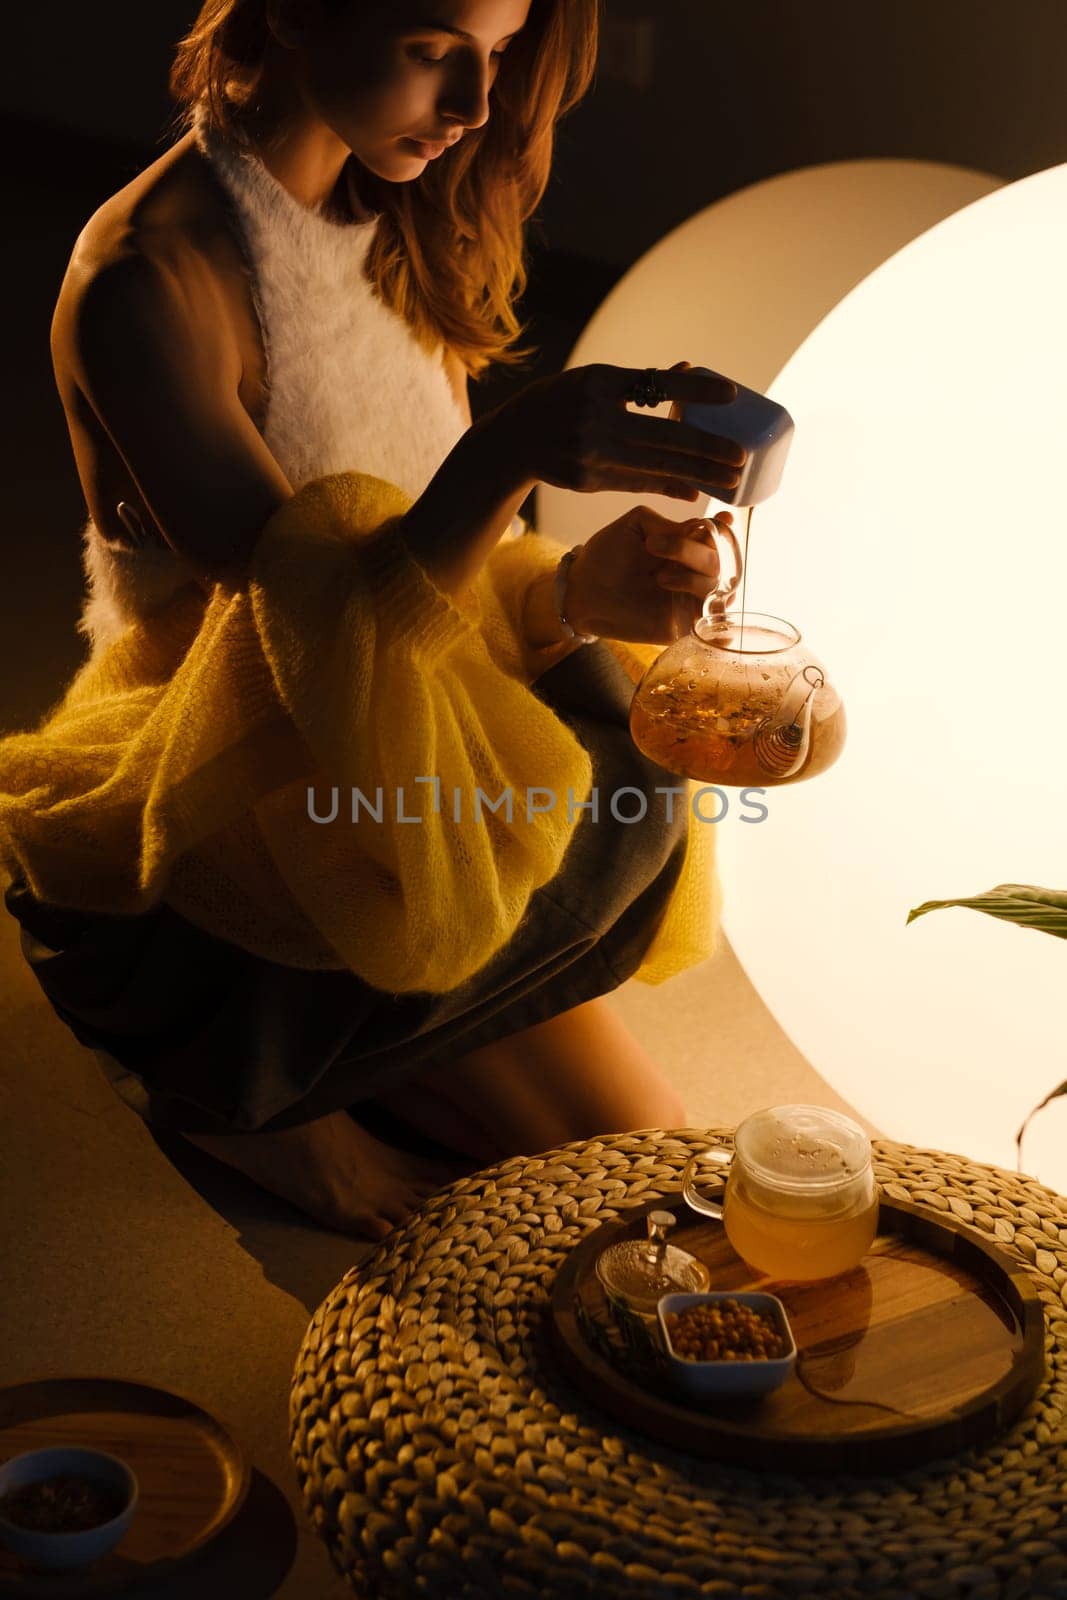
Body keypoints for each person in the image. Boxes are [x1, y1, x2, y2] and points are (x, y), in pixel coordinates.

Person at [0, 0, 747, 1242]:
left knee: (658, 1166)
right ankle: (248, 1092)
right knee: (631, 1169)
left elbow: (430, 590)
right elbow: (307, 645)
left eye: (498, 58)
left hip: (386, 750)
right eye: (433, 50)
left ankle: (363, 1046)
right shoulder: (147, 280)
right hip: (236, 777)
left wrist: (572, 593)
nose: (474, 106)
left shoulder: (387, 211)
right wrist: (503, 457)